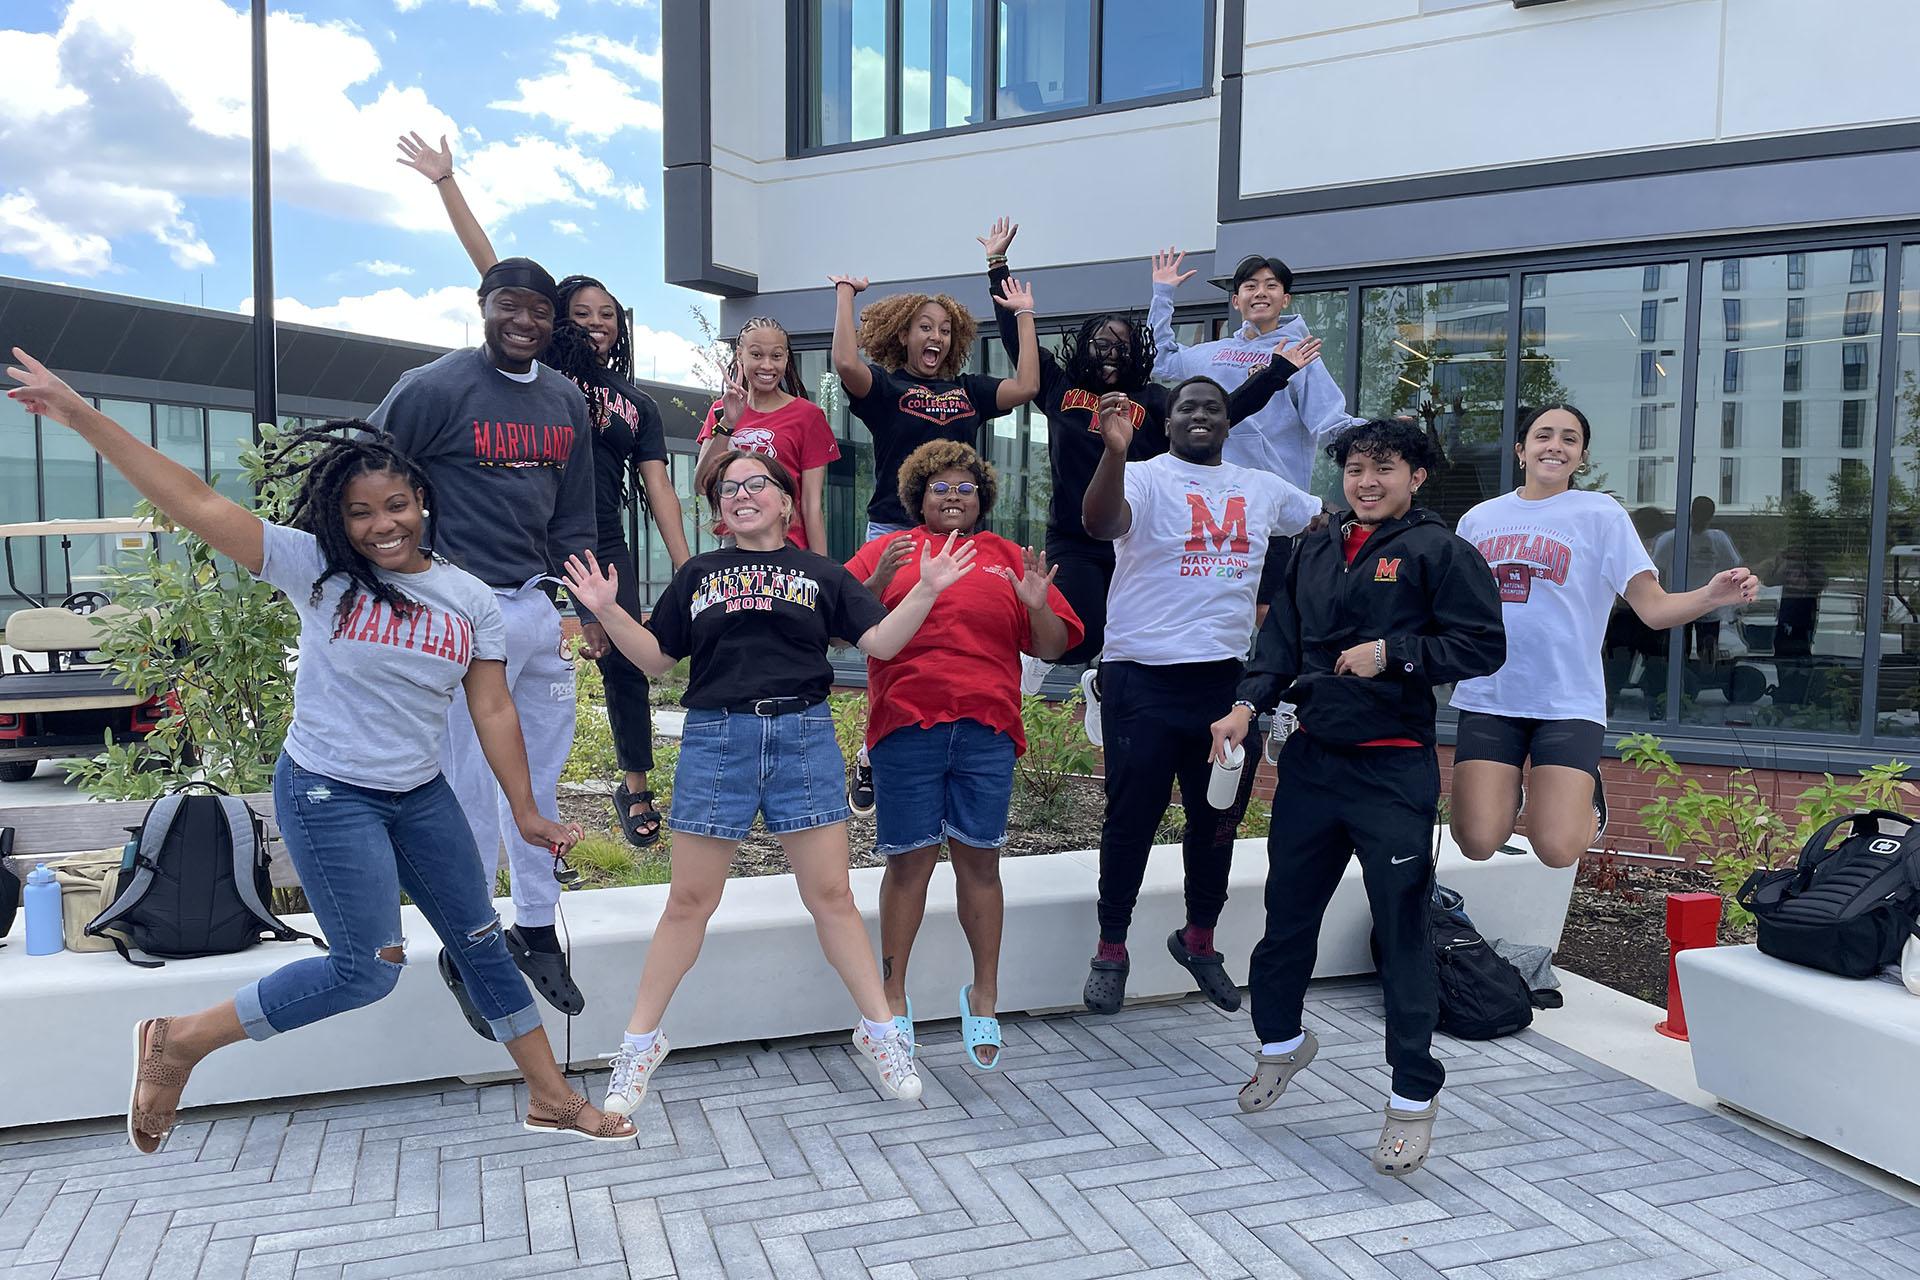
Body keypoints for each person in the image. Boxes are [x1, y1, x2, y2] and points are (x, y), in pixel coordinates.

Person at [4, 349, 635, 1150]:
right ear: (338, 520)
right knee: (366, 968)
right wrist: (81, 416)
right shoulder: (315, 572)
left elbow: (494, 710)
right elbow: (194, 501)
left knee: (482, 940)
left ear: (423, 501)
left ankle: (551, 1097)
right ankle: (180, 1041)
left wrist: (525, 810)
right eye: (362, 513)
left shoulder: (468, 598)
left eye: (397, 505)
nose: (383, 526)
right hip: (330, 792)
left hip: (420, 793)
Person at [561, 451, 979, 1115]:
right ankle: (639, 1045)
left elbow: (883, 643)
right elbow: (659, 660)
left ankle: (878, 1032)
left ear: (787, 502)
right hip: (717, 740)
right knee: (689, 901)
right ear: (721, 512)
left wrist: (925, 590)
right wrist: (609, 611)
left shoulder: (821, 575)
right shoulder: (698, 574)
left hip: (803, 738)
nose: (743, 493)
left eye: (758, 483)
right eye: (729, 489)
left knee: (833, 895)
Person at [1211, 418, 1506, 1179]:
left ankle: (1412, 1098)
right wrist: (1246, 706)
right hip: (1311, 764)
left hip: (1392, 770)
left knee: (1404, 929)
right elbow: (1276, 646)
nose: (1366, 481)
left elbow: (1482, 646)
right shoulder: (1314, 544)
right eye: (1356, 469)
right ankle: (1280, 1045)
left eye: (1384, 468)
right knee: (1286, 920)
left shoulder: (1441, 552)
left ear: (1416, 478)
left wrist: (1396, 653)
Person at [396, 130, 690, 850]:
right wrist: (446, 184)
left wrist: (688, 564)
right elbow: (496, 272)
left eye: (606, 314)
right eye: (580, 311)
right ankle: (473, 821)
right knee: (486, 682)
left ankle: (634, 785)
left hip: (596, 533)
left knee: (625, 655)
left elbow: (658, 487)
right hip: (519, 533)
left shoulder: (635, 401)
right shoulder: (541, 358)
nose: (592, 322)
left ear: (622, 326)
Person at [367, 255, 596, 1018]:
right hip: (459, 608)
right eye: (510, 306)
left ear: (550, 321)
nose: (523, 321)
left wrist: (582, 603)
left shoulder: (565, 400)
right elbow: (366, 476)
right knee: (466, 782)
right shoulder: (433, 389)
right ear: (483, 306)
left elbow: (573, 513)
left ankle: (536, 927)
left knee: (539, 777)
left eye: (538, 310)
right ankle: (470, 940)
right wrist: (398, 575)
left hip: (535, 605)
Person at [974, 217, 1320, 694]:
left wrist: (1277, 371)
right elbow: (1020, 345)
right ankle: (1053, 654)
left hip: (1139, 542)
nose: (1111, 355)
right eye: (1102, 345)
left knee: (1137, 642)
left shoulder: (1156, 400)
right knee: (1080, 637)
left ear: (1136, 354)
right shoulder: (1059, 388)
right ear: (1085, 347)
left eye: (1122, 347)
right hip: (1076, 538)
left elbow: (1225, 412)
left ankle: (1101, 686)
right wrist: (998, 267)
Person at [1079, 376, 1320, 1017]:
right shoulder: (1143, 476)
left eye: (1213, 407)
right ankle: (1111, 948)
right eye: (1187, 407)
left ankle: (1199, 937)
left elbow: (1324, 520)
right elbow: (1099, 521)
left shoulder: (1261, 488)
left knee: (1217, 820)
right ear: (1170, 420)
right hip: (1143, 678)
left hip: (1226, 686)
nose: (1200, 416)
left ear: (1228, 421)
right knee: (1130, 821)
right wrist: (1112, 452)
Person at [846, 440, 1082, 1071]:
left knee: (981, 865)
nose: (953, 496)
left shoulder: (1007, 559)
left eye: (965, 487)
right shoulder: (888, 550)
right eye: (939, 487)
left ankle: (985, 992)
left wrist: (1037, 608)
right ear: (917, 497)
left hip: (987, 731)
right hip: (905, 729)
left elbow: (1055, 647)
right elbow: (840, 623)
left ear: (983, 498)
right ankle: (891, 997)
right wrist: (872, 581)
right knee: (909, 866)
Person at [1450, 406, 1758, 868]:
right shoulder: (1478, 520)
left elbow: (1652, 609)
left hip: (1566, 699)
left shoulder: (1600, 514)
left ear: (1582, 457)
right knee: (1476, 841)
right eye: (1543, 435)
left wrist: (1711, 596)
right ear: (1521, 450)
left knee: (1555, 848)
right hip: (1490, 693)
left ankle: (1586, 797)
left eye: (1569, 439)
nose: (1555, 445)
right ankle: (1506, 794)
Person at [827, 268, 1041, 812]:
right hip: (895, 532)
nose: (935, 337)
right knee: (889, 650)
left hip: (956, 536)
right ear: (905, 334)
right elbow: (846, 364)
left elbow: (1027, 387)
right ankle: (876, 751)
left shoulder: (969, 391)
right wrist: (846, 296)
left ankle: (957, 745)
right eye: (925, 326)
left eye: (944, 329)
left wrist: (1024, 315)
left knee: (951, 644)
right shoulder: (887, 388)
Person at [1147, 249, 1360, 490]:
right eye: (1250, 286)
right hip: (1207, 494)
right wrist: (1163, 294)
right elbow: (1160, 358)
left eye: (1271, 286)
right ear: (1236, 301)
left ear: (1285, 299)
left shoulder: (1298, 356)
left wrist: (1379, 434)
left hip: (1273, 500)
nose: (1260, 293)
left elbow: (1330, 423)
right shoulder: (1211, 353)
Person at [695, 317, 839, 554]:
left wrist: (823, 571)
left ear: (786, 358)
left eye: (776, 356)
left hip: (787, 544)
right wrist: (727, 424)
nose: (767, 365)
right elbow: (702, 485)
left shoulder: (808, 416)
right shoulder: (721, 411)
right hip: (734, 543)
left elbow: (812, 505)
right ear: (739, 355)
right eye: (756, 354)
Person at [1652, 496, 1743, 664]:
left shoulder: (1718, 539)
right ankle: (1684, 683)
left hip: (1707, 606)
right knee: (1679, 651)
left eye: (1705, 514)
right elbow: (1658, 570)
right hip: (1680, 605)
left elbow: (1732, 568)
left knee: (1706, 652)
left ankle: (1701, 680)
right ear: (1692, 513)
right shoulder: (1673, 539)